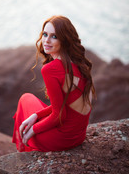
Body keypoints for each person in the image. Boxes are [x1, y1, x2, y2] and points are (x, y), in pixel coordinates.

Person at [12, 15, 96, 152]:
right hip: (77, 137)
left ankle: (23, 150)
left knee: (25, 99)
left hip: (60, 140)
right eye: (45, 34)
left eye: (54, 37)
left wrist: (34, 129)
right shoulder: (78, 63)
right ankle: (25, 148)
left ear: (65, 39)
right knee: (32, 112)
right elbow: (66, 104)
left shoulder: (51, 69)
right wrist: (36, 115)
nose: (46, 40)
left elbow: (59, 116)